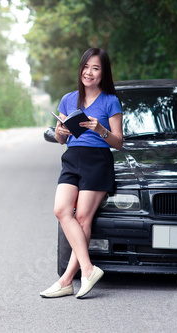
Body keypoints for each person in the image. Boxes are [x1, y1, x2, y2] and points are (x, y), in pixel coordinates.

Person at [40, 48, 123, 299]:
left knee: (84, 218)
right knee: (61, 210)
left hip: (97, 160)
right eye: (86, 67)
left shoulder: (110, 101)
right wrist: (61, 133)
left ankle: (66, 280)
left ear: (103, 72)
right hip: (72, 159)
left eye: (95, 68)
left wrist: (101, 129)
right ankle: (87, 269)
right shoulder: (68, 99)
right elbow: (59, 137)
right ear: (81, 69)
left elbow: (118, 142)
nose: (89, 72)